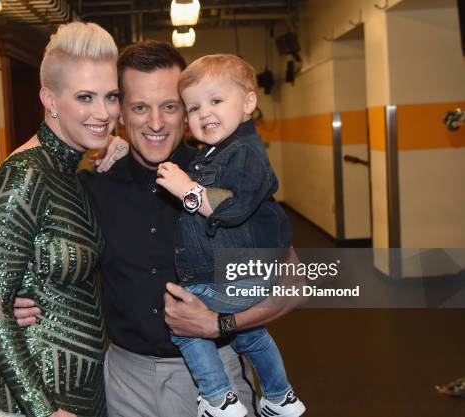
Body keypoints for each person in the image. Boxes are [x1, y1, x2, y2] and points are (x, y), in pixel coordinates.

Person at [15, 40, 303, 417]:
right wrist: (26, 296)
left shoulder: (226, 183)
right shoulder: (95, 187)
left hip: (218, 378)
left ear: (186, 111)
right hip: (124, 381)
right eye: (139, 108)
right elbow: (2, 205)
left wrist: (221, 323)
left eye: (169, 107)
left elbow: (296, 282)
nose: (155, 123)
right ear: (119, 112)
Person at [0, 22, 124, 417]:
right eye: (85, 97)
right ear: (50, 99)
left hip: (82, 393)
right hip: (29, 400)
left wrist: (116, 146)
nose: (103, 112)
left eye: (111, 97)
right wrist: (43, 410)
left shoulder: (70, 172)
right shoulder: (24, 174)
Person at [155, 54, 305, 417]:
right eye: (194, 107)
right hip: (241, 272)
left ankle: (218, 396)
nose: (204, 112)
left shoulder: (243, 154)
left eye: (216, 100)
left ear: (249, 102)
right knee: (249, 335)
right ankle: (279, 396)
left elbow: (232, 209)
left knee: (185, 326)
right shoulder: (218, 152)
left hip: (237, 274)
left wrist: (186, 189)